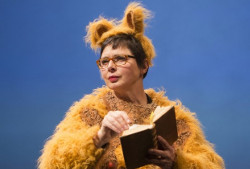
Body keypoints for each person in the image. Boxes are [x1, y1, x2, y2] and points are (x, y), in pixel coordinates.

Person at [38, 2, 225, 169]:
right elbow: (52, 163)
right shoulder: (89, 112)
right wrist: (98, 137)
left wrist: (176, 161)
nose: (110, 66)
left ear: (144, 65)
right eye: (104, 62)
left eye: (120, 59)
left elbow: (209, 164)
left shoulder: (174, 119)